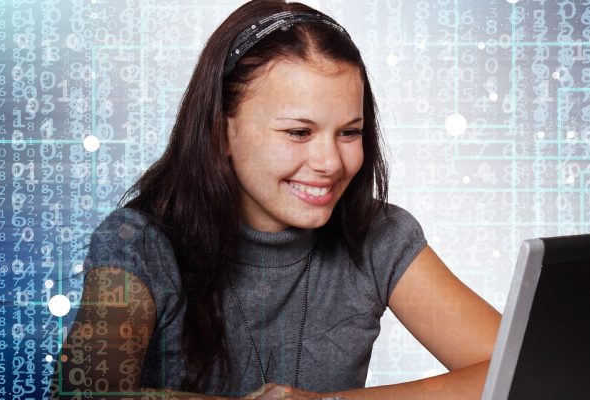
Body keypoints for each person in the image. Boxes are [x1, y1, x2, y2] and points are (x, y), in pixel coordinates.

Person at [51, 1, 501, 399]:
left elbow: (516, 370)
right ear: (221, 132)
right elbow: (84, 392)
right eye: (298, 132)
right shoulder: (136, 243)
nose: (331, 162)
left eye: (349, 132)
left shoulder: (380, 236)